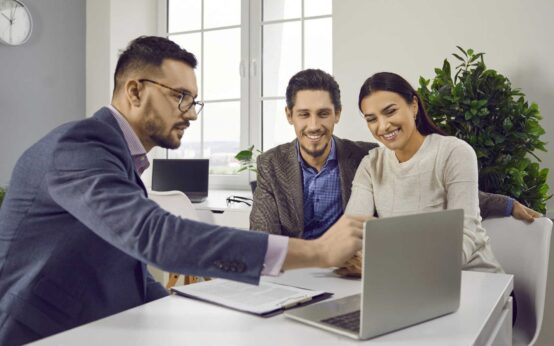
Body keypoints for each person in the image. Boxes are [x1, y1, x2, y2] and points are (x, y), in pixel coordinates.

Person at [0, 36, 364, 346]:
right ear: (134, 91)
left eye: (193, 101)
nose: (191, 114)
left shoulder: (117, 156)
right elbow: (157, 237)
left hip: (101, 327)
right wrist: (319, 252)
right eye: (181, 97)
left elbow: (129, 268)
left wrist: (184, 308)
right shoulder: (80, 144)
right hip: (41, 332)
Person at [250, 69, 539, 239]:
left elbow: (430, 188)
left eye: (323, 114)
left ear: (337, 115)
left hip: (353, 276)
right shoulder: (271, 165)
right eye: (304, 114)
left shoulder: (367, 157)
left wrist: (506, 204)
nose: (314, 126)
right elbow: (261, 237)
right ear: (290, 115)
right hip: (294, 275)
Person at [346, 71, 502, 272]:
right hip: (407, 284)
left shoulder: (454, 152)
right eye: (372, 119)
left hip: (476, 279)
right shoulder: (371, 164)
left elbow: (462, 241)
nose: (383, 126)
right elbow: (351, 236)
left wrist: (384, 262)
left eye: (390, 111)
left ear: (413, 106)